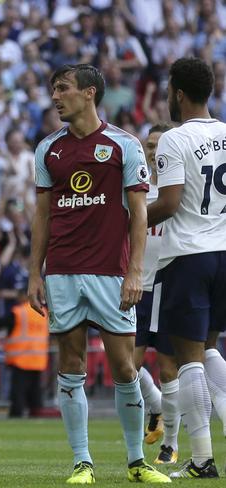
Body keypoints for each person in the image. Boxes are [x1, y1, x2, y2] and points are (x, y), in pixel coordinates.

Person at [27, 64, 170, 484]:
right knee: (70, 364)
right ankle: (82, 462)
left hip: (111, 271)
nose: (56, 97)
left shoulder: (123, 145)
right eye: (53, 89)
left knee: (125, 368)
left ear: (89, 93)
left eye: (63, 89)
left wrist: (134, 271)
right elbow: (42, 216)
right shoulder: (47, 149)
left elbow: (139, 214)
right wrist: (35, 273)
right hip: (64, 272)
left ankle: (136, 462)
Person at [147, 57, 226, 479]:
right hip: (224, 253)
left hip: (189, 255)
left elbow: (170, 202)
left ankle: (201, 459)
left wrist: (127, 219)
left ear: (178, 93)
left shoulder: (176, 139)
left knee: (188, 357)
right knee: (210, 349)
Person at [133, 124, 180, 465]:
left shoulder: (177, 187)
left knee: (168, 369)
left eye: (158, 145)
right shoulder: (137, 185)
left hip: (166, 283)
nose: (152, 150)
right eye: (149, 145)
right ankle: (156, 405)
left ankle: (171, 444)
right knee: (126, 366)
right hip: (135, 285)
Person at [4, 287, 49, 418]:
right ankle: (37, 413)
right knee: (35, 391)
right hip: (38, 358)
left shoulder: (18, 312)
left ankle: (16, 414)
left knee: (18, 391)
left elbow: (1, 322)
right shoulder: (43, 312)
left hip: (21, 358)